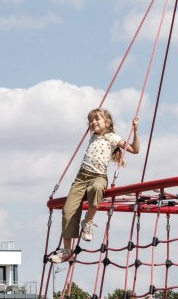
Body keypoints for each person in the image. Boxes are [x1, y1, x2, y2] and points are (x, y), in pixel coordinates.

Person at [49, 109, 140, 263]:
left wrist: (135, 130)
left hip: (98, 176)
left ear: (108, 122)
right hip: (81, 178)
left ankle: (88, 222)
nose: (93, 122)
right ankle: (66, 250)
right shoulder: (92, 136)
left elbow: (135, 150)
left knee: (97, 188)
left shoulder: (112, 137)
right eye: (91, 120)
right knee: (68, 211)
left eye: (97, 119)